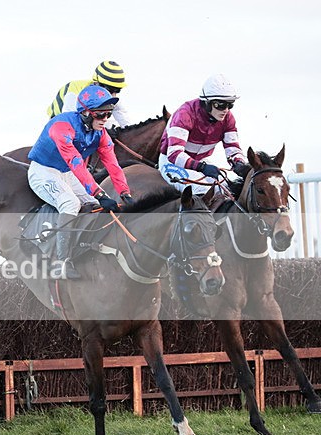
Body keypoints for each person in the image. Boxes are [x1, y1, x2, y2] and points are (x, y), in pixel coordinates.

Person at [28, 84, 133, 279]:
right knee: (71, 203)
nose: (105, 120)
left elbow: (113, 164)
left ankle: (83, 247)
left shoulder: (100, 133)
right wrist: (100, 194)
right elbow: (77, 165)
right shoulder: (62, 127)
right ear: (85, 113)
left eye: (108, 115)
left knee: (94, 206)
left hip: (66, 173)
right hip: (43, 171)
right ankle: (60, 262)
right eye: (101, 115)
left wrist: (125, 193)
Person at [158, 74, 249, 195]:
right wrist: (202, 167)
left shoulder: (228, 119)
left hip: (200, 160)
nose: (226, 110)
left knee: (227, 190)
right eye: (220, 104)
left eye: (230, 104)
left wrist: (239, 163)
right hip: (171, 162)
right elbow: (175, 154)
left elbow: (233, 149)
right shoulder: (184, 114)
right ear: (207, 102)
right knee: (201, 190)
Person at [46, 60, 133, 128]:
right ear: (97, 82)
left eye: (117, 90)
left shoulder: (106, 94)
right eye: (110, 90)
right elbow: (71, 119)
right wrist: (106, 129)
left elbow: (121, 113)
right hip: (59, 119)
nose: (113, 95)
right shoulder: (75, 91)